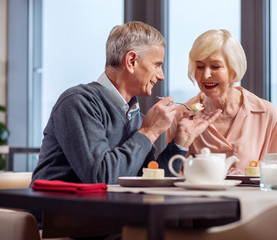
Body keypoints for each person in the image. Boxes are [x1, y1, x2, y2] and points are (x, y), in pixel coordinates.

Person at [31, 21, 221, 185]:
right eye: (157, 64)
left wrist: (181, 141)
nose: (161, 76)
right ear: (131, 61)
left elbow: (148, 180)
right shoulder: (77, 102)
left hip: (106, 219)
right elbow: (102, 179)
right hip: (59, 221)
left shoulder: (137, 118)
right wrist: (149, 132)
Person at [167, 29, 277, 175]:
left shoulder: (266, 113)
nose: (206, 75)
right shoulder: (182, 115)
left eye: (215, 66)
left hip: (250, 198)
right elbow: (171, 174)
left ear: (233, 70)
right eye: (200, 66)